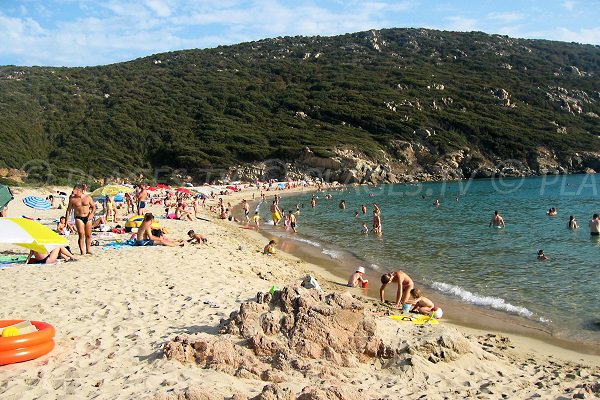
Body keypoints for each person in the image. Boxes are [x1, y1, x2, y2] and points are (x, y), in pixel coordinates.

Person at [66, 184, 96, 255]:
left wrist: (92, 214)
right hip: (79, 217)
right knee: (81, 234)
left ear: (80, 190)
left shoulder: (87, 197)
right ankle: (82, 251)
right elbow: (68, 210)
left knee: (88, 235)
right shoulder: (72, 199)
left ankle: (88, 249)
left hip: (88, 217)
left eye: (75, 190)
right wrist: (66, 221)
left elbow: (94, 207)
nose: (73, 191)